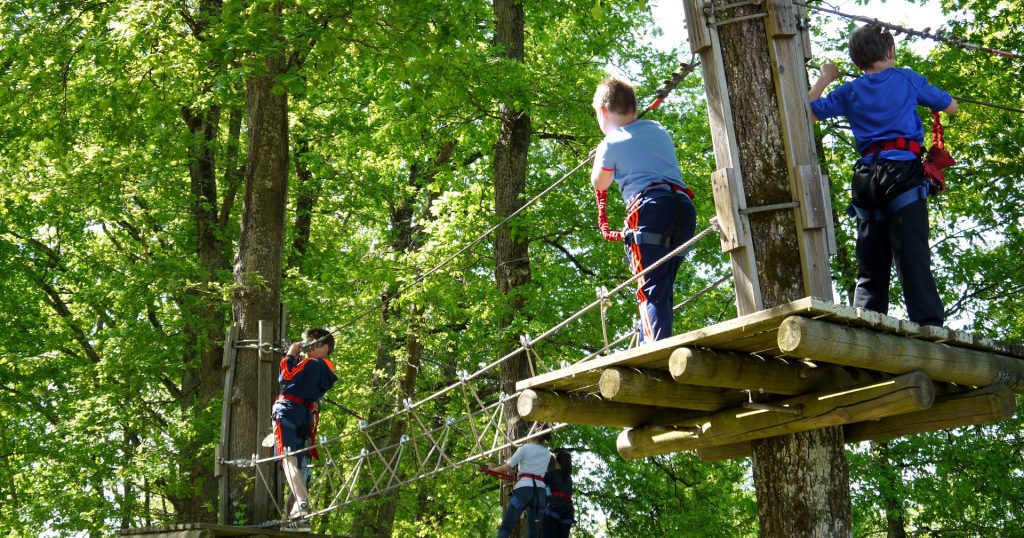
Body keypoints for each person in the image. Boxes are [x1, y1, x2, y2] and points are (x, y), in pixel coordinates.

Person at [809, 23, 957, 327]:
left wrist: (825, 78)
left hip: (867, 180)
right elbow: (951, 106)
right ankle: (929, 324)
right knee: (912, 254)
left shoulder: (849, 91)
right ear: (891, 51)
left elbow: (810, 110)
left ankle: (866, 321)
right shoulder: (906, 78)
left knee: (870, 262)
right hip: (902, 174)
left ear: (855, 63)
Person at [591, 77, 697, 343]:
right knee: (660, 285)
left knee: (650, 288)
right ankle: (649, 339)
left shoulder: (611, 143)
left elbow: (599, 183)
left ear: (603, 111)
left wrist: (599, 158)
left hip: (649, 210)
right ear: (634, 109)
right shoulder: (658, 129)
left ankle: (654, 349)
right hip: (683, 209)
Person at [272, 328, 338, 530]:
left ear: (325, 348)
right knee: (298, 462)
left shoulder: (311, 363)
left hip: (288, 410)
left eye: (312, 345)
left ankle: (301, 503)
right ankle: (298, 518)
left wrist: (291, 354)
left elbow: (285, 376)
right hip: (304, 414)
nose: (308, 349)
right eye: (307, 345)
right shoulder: (328, 370)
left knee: (287, 458)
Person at [489, 431, 552, 538]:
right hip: (540, 494)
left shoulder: (524, 448)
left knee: (506, 527)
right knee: (533, 533)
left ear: (532, 435)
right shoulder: (547, 453)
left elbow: (506, 467)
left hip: (523, 491)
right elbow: (535, 471)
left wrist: (491, 470)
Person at [542, 449, 574, 538]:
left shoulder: (551, 474)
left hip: (554, 509)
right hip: (568, 512)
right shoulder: (569, 479)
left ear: (557, 461)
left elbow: (539, 482)